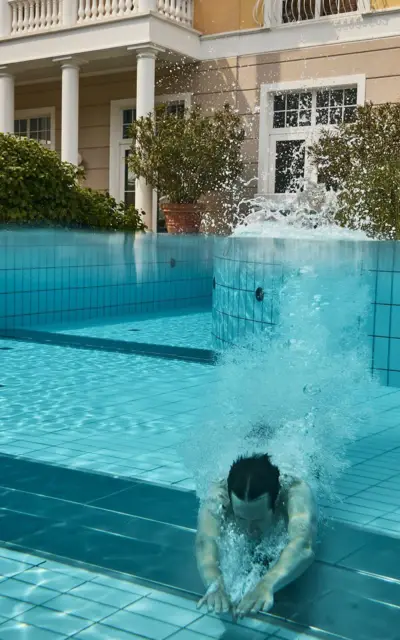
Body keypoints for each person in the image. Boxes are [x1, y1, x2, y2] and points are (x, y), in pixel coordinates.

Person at [195, 453, 317, 620]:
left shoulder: (295, 491)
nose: (249, 529)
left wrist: (266, 584)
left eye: (258, 519)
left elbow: (303, 544)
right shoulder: (219, 494)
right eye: (241, 518)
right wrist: (214, 582)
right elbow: (205, 540)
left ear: (275, 503)